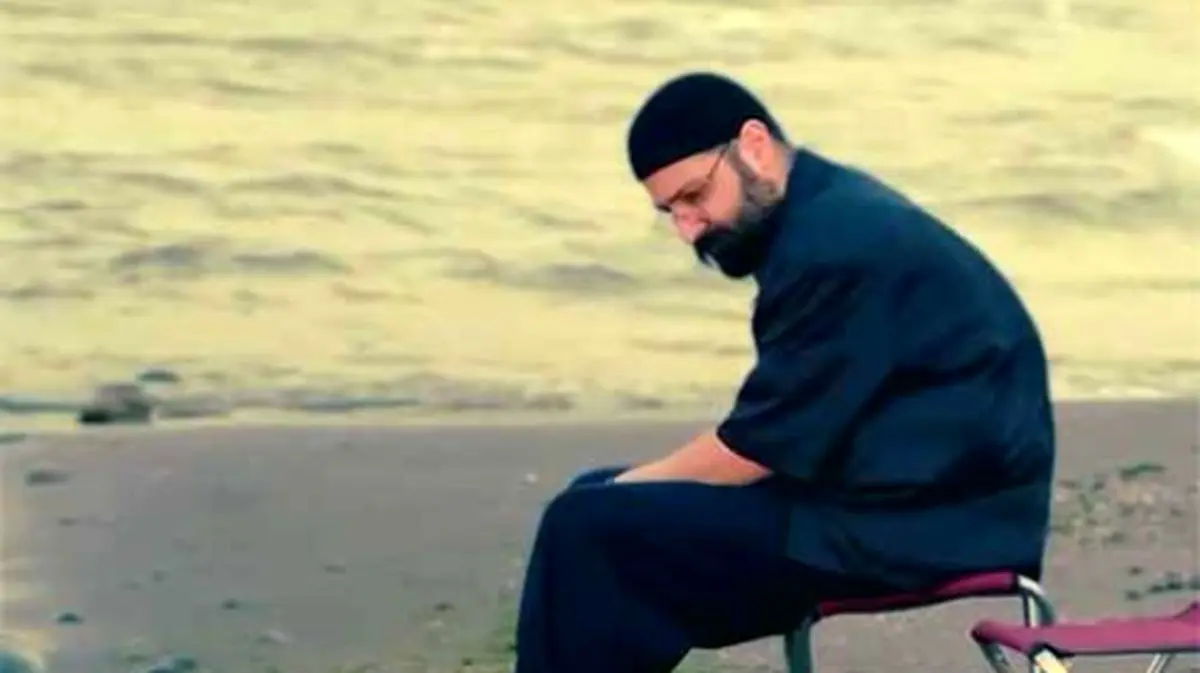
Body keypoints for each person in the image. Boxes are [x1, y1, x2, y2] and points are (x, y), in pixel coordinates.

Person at [511, 71, 1057, 673]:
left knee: (586, 525)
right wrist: (621, 488)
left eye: (695, 196)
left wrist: (626, 488)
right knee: (592, 503)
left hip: (926, 524)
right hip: (899, 494)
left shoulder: (834, 246)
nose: (687, 227)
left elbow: (755, 449)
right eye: (670, 211)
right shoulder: (825, 210)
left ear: (754, 146)